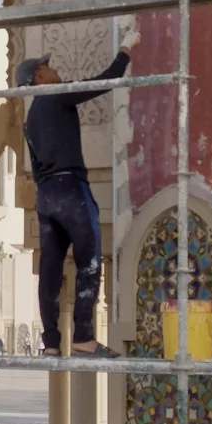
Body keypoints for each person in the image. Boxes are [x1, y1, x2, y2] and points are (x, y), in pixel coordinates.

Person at [19, 30, 138, 357]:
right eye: (49, 67)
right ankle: (84, 335)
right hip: (70, 189)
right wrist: (126, 49)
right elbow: (106, 80)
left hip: (45, 198)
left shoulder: (29, 121)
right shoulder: (56, 93)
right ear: (39, 76)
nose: (56, 71)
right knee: (89, 258)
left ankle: (52, 342)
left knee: (51, 270)